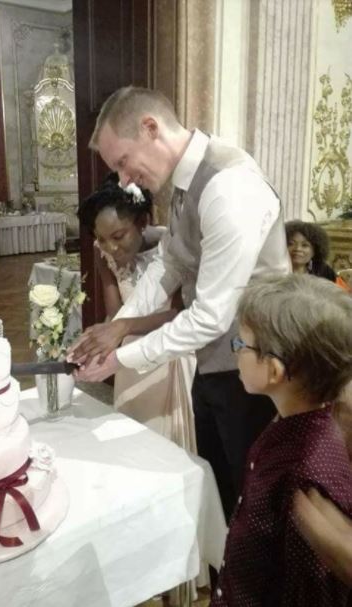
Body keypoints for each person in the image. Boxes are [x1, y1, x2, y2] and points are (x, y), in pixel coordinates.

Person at [68, 86, 290, 520]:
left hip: (255, 370)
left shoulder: (228, 185)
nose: (123, 180)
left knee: (253, 503)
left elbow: (208, 318)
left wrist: (121, 357)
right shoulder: (185, 186)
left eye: (122, 162)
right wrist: (117, 327)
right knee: (218, 488)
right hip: (215, 367)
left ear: (150, 128)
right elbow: (170, 262)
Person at [210, 273, 352, 605]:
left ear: (274, 370)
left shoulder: (306, 475)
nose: (236, 352)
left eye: (241, 344)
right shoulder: (291, 422)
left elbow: (313, 595)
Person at [78, 173, 196, 450]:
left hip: (167, 350)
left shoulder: (170, 246)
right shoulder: (102, 251)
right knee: (130, 437)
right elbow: (115, 311)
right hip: (128, 350)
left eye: (118, 236)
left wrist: (122, 328)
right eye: (101, 239)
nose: (111, 247)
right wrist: (98, 343)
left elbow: (177, 315)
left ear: (142, 222)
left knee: (164, 443)